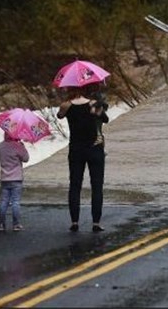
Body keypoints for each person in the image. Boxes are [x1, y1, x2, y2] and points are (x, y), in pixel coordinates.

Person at [57, 83, 109, 232]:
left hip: (76, 149)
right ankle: (96, 223)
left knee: (74, 185)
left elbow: (59, 116)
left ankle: (74, 222)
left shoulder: (66, 106)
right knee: (97, 186)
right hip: (95, 149)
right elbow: (105, 119)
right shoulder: (93, 104)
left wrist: (67, 104)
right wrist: (96, 108)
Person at [0, 131, 30, 232]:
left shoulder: (0, 146)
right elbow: (26, 159)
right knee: (15, 202)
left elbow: (1, 159)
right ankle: (16, 224)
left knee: (4, 202)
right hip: (16, 178)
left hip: (4, 178)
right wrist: (22, 146)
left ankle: (1, 224)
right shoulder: (18, 146)